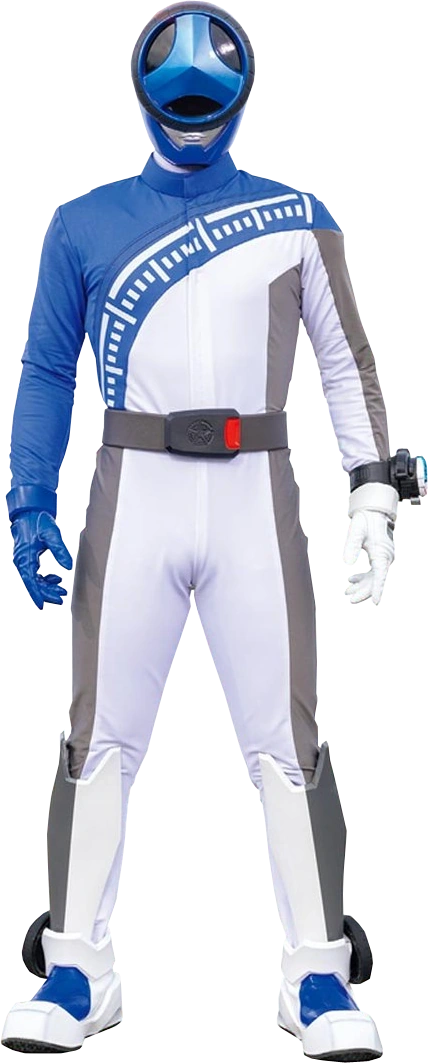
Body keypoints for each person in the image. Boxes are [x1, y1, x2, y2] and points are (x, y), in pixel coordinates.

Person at [3, 2, 427, 1055]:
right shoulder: (82, 225)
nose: (191, 119)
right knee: (101, 733)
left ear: (241, 101)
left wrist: (373, 492)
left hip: (255, 493)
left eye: (208, 101)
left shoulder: (296, 217)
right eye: (176, 100)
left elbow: (345, 365)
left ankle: (316, 974)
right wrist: (29, 503)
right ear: (142, 99)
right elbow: (47, 371)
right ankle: (76, 966)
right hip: (133, 489)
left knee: (286, 738)